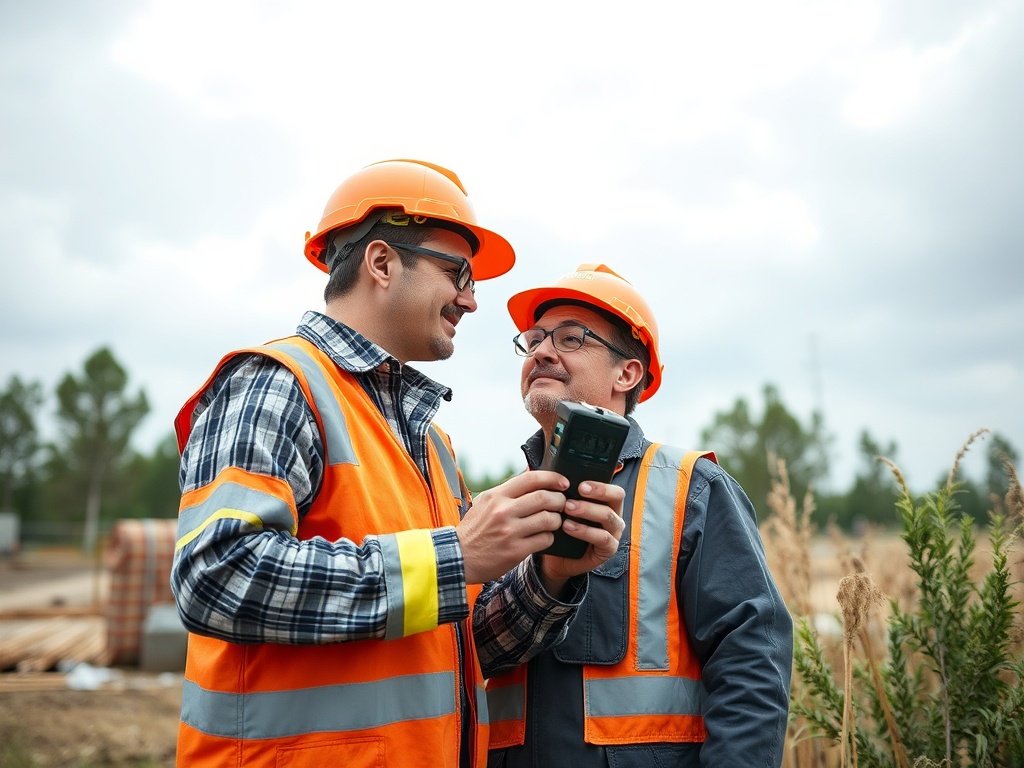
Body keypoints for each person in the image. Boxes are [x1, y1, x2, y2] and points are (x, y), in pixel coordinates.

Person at [169, 161, 626, 767]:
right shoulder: (277, 383)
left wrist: (553, 576)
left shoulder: (430, 445)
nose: (470, 298)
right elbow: (215, 578)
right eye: (456, 272)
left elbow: (464, 646)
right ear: (381, 263)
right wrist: (455, 556)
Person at [485, 264, 793, 767]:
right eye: (534, 338)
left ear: (627, 373)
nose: (541, 350)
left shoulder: (690, 489)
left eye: (569, 338)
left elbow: (752, 660)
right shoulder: (492, 507)